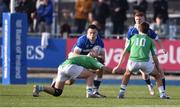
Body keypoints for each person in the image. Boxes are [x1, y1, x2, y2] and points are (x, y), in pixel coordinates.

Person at [113, 22, 170, 99]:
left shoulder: (132, 38)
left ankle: (121, 93)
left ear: (139, 29)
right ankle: (162, 94)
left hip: (133, 62)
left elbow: (124, 52)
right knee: (157, 75)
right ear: (148, 31)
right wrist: (157, 68)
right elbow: (154, 56)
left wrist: (118, 66)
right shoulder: (150, 40)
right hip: (145, 62)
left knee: (127, 73)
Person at [33, 49, 111, 98]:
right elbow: (104, 68)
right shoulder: (94, 60)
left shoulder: (87, 58)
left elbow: (92, 69)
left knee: (57, 92)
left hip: (62, 67)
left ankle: (39, 88)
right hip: (70, 66)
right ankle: (90, 93)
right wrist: (116, 70)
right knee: (90, 75)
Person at [126, 11, 167, 96]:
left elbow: (157, 39)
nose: (138, 21)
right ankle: (149, 85)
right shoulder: (131, 31)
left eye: (140, 19)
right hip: (137, 55)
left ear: (143, 19)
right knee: (144, 74)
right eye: (137, 19)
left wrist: (162, 48)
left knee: (160, 71)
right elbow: (127, 43)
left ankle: (163, 92)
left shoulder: (147, 30)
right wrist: (127, 51)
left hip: (149, 54)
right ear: (134, 19)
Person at [69, 24, 106, 97]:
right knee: (70, 82)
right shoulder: (82, 40)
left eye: (94, 33)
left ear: (97, 33)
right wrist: (87, 57)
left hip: (87, 59)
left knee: (101, 68)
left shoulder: (99, 41)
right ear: (87, 33)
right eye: (90, 33)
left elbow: (103, 58)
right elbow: (75, 55)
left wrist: (97, 56)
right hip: (76, 59)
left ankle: (96, 91)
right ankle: (57, 81)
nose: (92, 35)